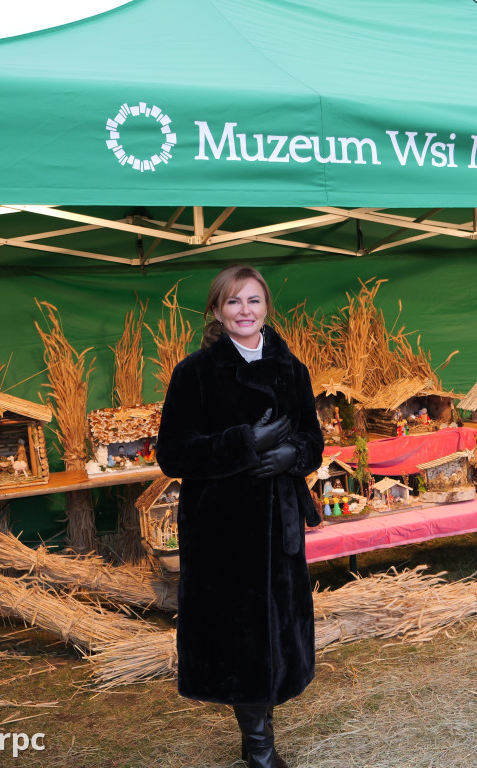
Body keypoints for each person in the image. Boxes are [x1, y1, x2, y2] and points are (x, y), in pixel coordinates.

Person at [156, 264, 324, 768]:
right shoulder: (195, 373)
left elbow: (313, 442)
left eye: (253, 301)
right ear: (216, 311)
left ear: (266, 307)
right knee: (239, 639)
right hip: (222, 529)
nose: (244, 311)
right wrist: (245, 444)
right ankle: (259, 748)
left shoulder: (292, 370)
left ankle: (261, 735)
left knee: (277, 632)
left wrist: (291, 456)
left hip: (279, 524)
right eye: (233, 302)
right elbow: (173, 453)